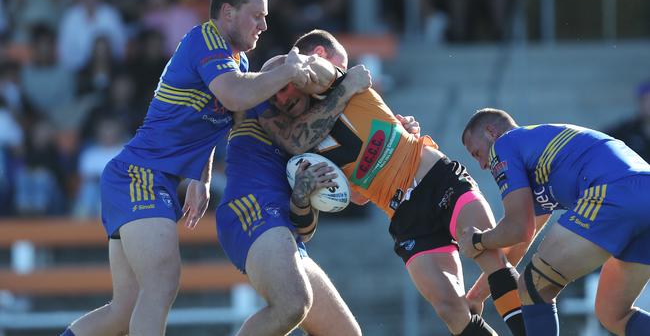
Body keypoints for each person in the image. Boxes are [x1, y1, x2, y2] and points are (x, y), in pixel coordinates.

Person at [60, 0, 319, 336]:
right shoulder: (206, 39)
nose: (264, 25)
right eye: (256, 15)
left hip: (143, 177)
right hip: (141, 176)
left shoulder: (237, 63)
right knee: (163, 282)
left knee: (125, 311)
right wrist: (289, 69)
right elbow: (233, 97)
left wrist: (203, 175)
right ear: (227, 12)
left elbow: (214, 120)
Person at [263, 30, 527, 336]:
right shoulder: (304, 148)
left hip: (435, 178)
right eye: (274, 95)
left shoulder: (337, 80)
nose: (282, 98)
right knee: (449, 308)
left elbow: (324, 70)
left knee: (489, 256)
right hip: (403, 215)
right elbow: (360, 197)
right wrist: (317, 192)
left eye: (285, 85)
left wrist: (300, 65)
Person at [216, 54, 371, 335]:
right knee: (291, 304)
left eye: (289, 85)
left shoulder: (319, 131)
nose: (281, 97)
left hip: (281, 228)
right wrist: (347, 88)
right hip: (251, 207)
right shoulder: (263, 91)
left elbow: (306, 230)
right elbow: (292, 140)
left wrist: (301, 196)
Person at [460, 108, 650, 336]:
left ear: (491, 132)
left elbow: (517, 228)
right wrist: (475, 297)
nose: (482, 164)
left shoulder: (504, 145)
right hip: (640, 192)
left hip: (614, 192)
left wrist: (478, 240)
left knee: (534, 285)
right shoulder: (537, 152)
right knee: (614, 315)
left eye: (476, 153)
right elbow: (519, 241)